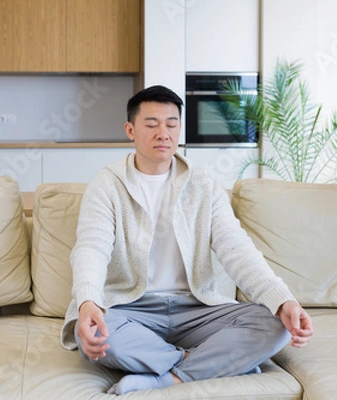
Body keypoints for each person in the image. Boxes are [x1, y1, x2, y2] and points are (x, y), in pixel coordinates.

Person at [60, 85, 313, 395]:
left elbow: (236, 249)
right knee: (93, 336)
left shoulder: (204, 183)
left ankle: (169, 378)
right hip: (132, 307)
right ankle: (211, 364)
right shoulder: (107, 184)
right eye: (151, 124)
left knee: (275, 326)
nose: (163, 133)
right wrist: (88, 301)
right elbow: (91, 247)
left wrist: (282, 299)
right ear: (130, 130)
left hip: (197, 307)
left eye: (171, 124)